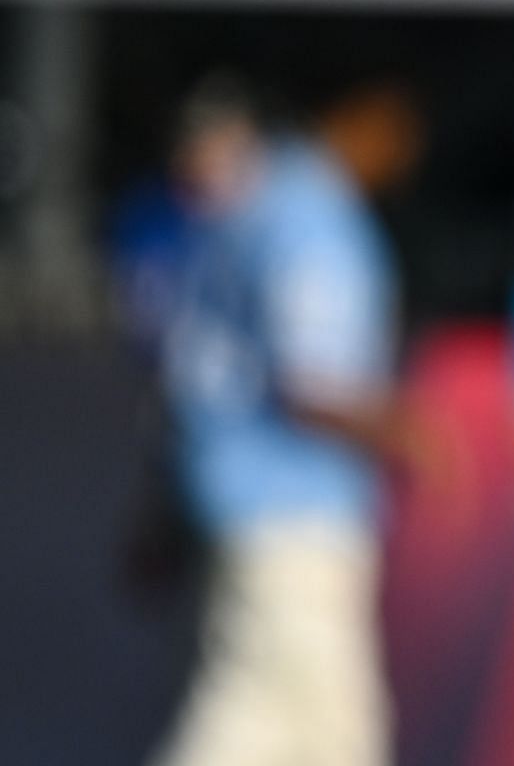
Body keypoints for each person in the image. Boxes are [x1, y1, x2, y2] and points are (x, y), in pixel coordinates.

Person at [149, 75, 422, 766]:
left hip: (239, 502)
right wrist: (415, 437)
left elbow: (194, 377)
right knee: (316, 728)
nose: (405, 154)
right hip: (292, 509)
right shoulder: (307, 217)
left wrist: (161, 508)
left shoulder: (239, 212)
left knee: (273, 718)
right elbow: (313, 384)